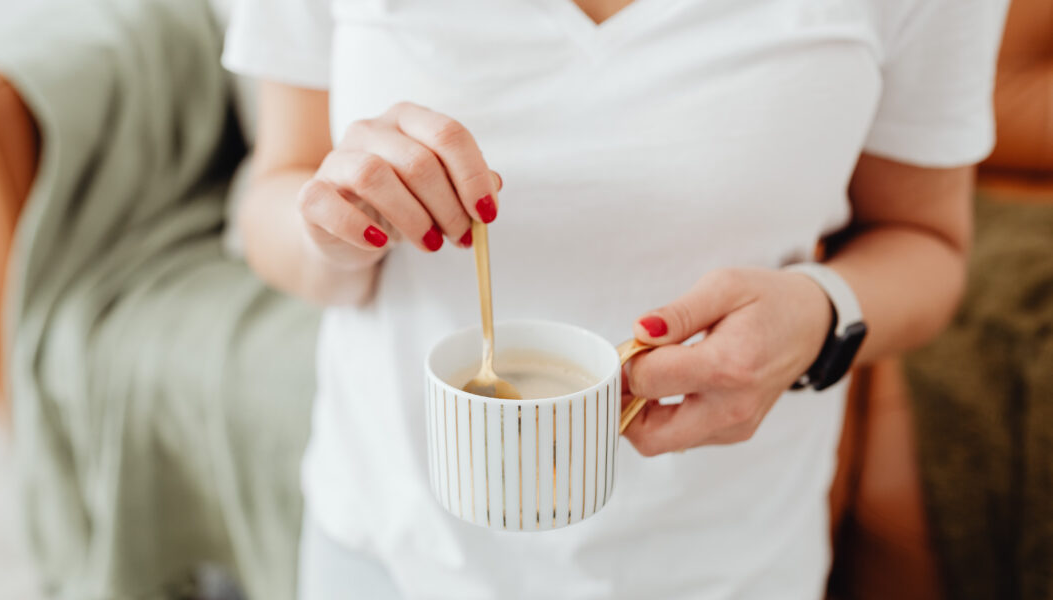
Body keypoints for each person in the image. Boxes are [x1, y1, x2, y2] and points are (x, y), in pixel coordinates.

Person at [222, 0, 1009, 597]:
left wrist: (819, 314)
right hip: (390, 548)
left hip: (725, 564)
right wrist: (335, 229)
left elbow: (928, 243)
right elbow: (276, 188)